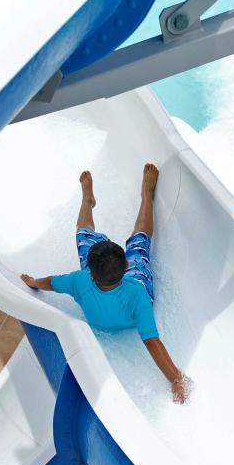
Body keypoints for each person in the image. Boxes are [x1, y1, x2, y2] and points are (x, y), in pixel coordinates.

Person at [21, 163, 190, 404]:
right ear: (126, 267)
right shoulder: (137, 291)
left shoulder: (79, 280)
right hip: (133, 289)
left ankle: (87, 202)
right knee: (140, 240)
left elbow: (50, 283)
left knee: (82, 234)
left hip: (102, 293)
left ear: (90, 272)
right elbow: (152, 341)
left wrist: (33, 282)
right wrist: (175, 379)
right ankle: (146, 195)